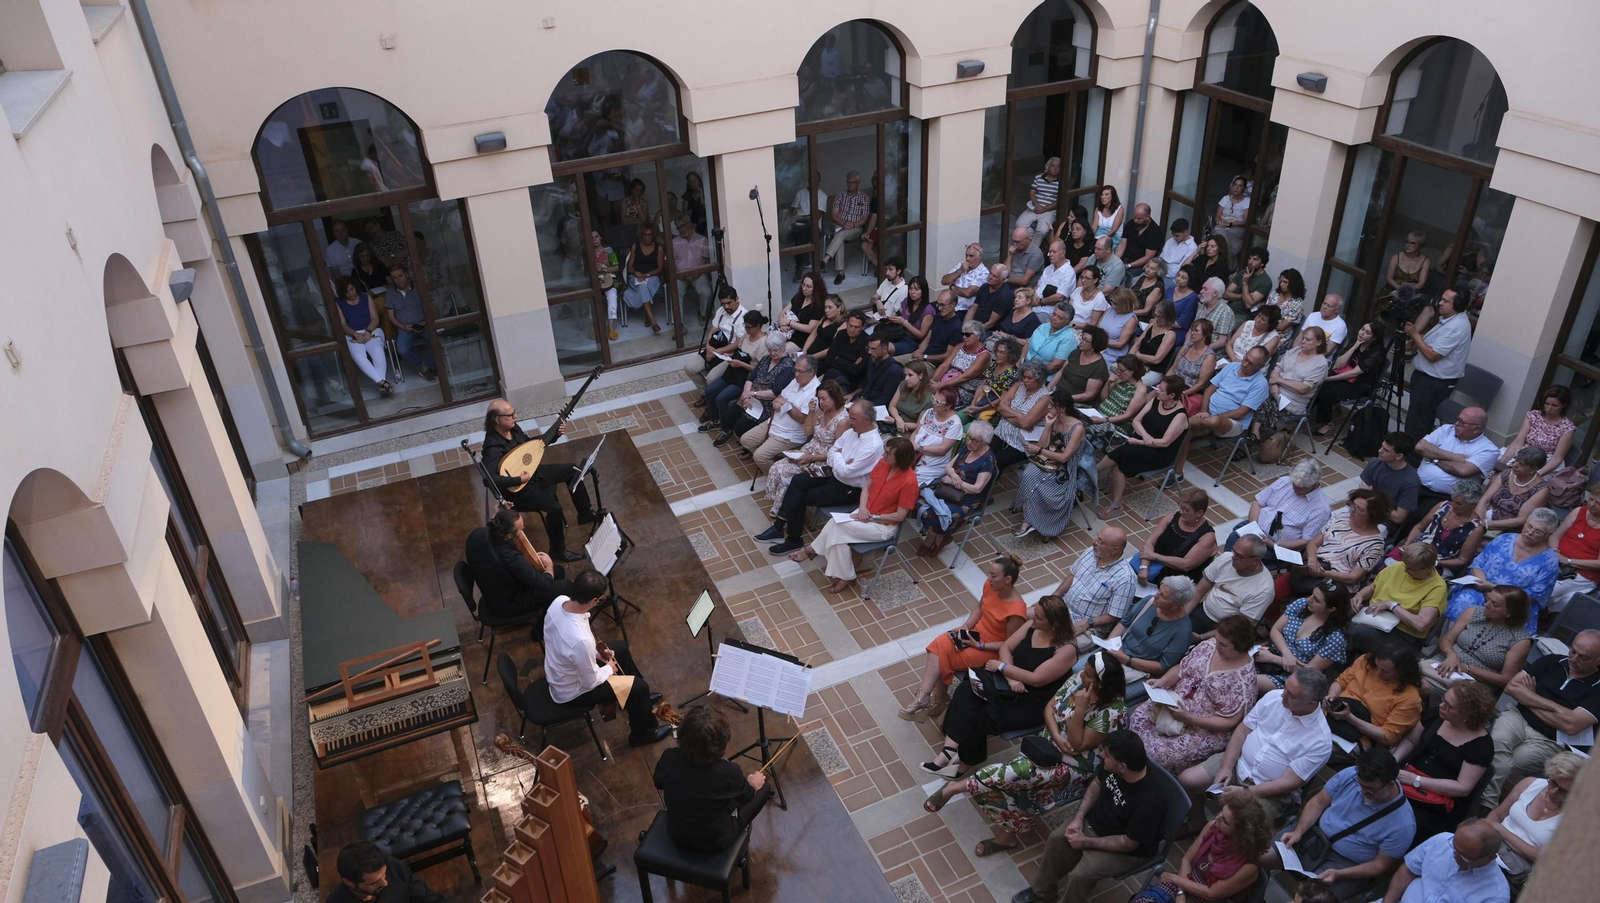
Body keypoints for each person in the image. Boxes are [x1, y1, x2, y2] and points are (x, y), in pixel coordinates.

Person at [927, 650, 1127, 855]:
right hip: (1046, 746)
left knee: (1008, 775)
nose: (1081, 675)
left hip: (1074, 766)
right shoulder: (1078, 681)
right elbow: (1049, 708)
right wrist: (1057, 736)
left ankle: (954, 788)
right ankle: (1007, 837)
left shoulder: (1112, 714)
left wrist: (1080, 710)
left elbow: (1076, 745)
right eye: (1084, 671)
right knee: (1010, 783)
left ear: (1101, 684)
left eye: (1088, 675)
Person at [922, 596, 1081, 785]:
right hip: (1009, 682)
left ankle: (966, 760)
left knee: (979, 714)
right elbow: (1006, 646)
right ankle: (949, 750)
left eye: (1039, 617)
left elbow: (1037, 679)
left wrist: (1002, 667)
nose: (1033, 618)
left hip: (1030, 699)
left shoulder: (1066, 650)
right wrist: (1010, 676)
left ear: (1053, 623)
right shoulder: (1032, 625)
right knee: (967, 688)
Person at [1010, 730, 1169, 903]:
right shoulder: (1113, 766)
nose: (1101, 755)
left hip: (1128, 850)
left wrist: (1085, 842)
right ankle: (1042, 892)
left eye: (1106, 755)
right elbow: (1096, 784)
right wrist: (1078, 818)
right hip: (1096, 823)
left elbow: (1128, 843)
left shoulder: (1151, 801)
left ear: (1122, 766)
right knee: (1057, 839)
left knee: (1080, 875)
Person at [544, 569, 672, 746]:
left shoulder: (559, 602)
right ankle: (641, 735)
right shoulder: (581, 640)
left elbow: (567, 645)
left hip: (563, 669)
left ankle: (635, 702)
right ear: (592, 601)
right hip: (573, 691)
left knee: (620, 648)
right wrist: (608, 668)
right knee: (640, 687)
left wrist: (597, 654)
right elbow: (589, 682)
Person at [1270, 749, 1417, 902]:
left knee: (1312, 899)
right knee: (1257, 856)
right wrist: (1299, 831)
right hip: (1313, 836)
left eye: (1370, 789)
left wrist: (1341, 874)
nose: (1362, 791)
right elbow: (1319, 802)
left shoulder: (1404, 824)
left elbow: (1380, 865)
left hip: (1347, 864)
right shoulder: (1351, 775)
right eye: (1361, 785)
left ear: (1390, 784)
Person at [900, 555, 1029, 721]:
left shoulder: (1017, 610)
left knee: (944, 658)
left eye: (993, 576)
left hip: (990, 648)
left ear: (1008, 579)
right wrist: (967, 625)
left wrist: (980, 645)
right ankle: (924, 697)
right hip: (974, 633)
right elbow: (980, 607)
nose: (988, 578)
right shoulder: (991, 587)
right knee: (938, 645)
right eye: (989, 574)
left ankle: (934, 699)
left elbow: (1009, 645)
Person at [1483, 628, 1600, 808]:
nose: (1574, 659)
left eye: (1583, 657)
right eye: (1573, 651)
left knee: (1498, 761)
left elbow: (1571, 725)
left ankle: (1478, 801)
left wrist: (1529, 697)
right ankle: (1487, 805)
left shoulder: (1597, 688)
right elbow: (1512, 687)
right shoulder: (1551, 661)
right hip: (1517, 718)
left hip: (1551, 740)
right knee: (1497, 745)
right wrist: (1558, 709)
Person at [1129, 615, 1258, 774]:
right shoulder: (1209, 646)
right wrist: (1162, 682)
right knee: (1137, 719)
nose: (1217, 646)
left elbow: (1229, 722)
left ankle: (1144, 777)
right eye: (1217, 640)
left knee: (1160, 754)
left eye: (1223, 645)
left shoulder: (1243, 680)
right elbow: (1182, 669)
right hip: (1174, 701)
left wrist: (1189, 718)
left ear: (1241, 646)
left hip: (1202, 727)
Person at [789, 437, 917, 593]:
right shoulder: (883, 464)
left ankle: (812, 550)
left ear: (901, 458)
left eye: (889, 453)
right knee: (838, 535)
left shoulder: (909, 481)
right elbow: (866, 488)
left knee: (836, 526)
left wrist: (872, 517)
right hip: (865, 512)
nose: (884, 454)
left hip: (883, 525)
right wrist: (862, 508)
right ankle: (845, 576)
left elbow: (900, 516)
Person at [1201, 668, 1333, 819]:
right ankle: (1197, 819)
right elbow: (1243, 730)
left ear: (1311, 704)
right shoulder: (1273, 698)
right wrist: (1226, 766)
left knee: (1233, 819)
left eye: (1291, 695)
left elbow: (1289, 782)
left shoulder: (1321, 741)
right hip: (1240, 763)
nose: (1283, 694)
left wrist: (1246, 793)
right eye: (1285, 688)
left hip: (1268, 791)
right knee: (1189, 780)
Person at [481, 399, 601, 562]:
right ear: (497, 419)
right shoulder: (492, 447)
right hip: (518, 492)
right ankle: (557, 551)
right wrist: (518, 479)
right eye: (510, 415)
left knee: (573, 470)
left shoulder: (514, 429)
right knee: (555, 509)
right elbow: (489, 480)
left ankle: (585, 513)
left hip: (533, 474)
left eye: (514, 412)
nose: (515, 417)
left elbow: (532, 446)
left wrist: (555, 435)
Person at [761, 400, 885, 554]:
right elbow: (833, 451)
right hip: (832, 473)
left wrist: (838, 457)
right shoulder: (853, 431)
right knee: (798, 480)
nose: (849, 421)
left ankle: (794, 540)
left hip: (848, 488)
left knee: (801, 497)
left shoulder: (872, 445)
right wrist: (841, 458)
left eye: (853, 419)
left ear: (866, 420)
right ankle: (778, 527)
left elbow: (847, 472)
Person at [652, 704, 772, 852]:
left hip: (677, 833)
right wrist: (752, 785)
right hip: (714, 841)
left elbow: (659, 782)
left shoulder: (669, 757)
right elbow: (746, 797)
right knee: (764, 788)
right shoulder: (729, 772)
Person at [1394, 681, 1496, 840]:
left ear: (1467, 714)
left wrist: (1416, 780)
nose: (1441, 705)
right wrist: (1394, 760)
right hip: (1405, 779)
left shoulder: (1481, 746)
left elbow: (1462, 787)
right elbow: (1411, 741)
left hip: (1435, 803)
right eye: (1443, 700)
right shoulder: (1435, 716)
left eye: (1449, 706)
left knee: (1399, 821)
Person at [1129, 789, 1271, 903]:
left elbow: (1211, 894)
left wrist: (1174, 879)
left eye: (1225, 821)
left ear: (1241, 833)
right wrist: (1180, 892)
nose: (1217, 818)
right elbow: (1187, 860)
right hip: (1184, 884)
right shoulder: (1212, 828)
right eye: (1221, 811)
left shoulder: (1249, 867)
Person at [1443, 508, 1560, 630]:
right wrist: (1483, 584)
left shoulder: (1549, 562)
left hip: (1512, 605)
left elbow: (1531, 596)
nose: (1529, 533)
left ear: (1548, 535)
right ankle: (1447, 645)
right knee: (1464, 601)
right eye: (1529, 526)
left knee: (1500, 618)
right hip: (1480, 591)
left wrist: (1493, 589)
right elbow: (1478, 564)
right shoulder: (1504, 539)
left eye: (1538, 531)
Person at [1485, 752, 1584, 891]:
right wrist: (1486, 834)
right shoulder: (1530, 784)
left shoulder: (1575, 819)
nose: (1553, 792)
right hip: (1492, 845)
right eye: (1553, 782)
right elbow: (1497, 813)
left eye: (1564, 792)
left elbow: (1541, 857)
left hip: (1519, 870)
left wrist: (1500, 829)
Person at [1276, 488, 1390, 603]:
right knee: (1275, 591)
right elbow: (1313, 543)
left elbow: (1353, 578)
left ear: (1372, 515)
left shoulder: (1375, 544)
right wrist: (1312, 560)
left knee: (1300, 608)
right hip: (1311, 568)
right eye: (1352, 505)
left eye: (1359, 509)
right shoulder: (1341, 518)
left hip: (1335, 584)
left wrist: (1320, 573)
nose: (1352, 510)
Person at [1098, 376, 1189, 515]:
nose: (1157, 390)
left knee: (1123, 454)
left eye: (1161, 389)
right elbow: (1136, 420)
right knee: (1122, 457)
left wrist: (1140, 441)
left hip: (1159, 453)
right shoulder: (1156, 400)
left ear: (1172, 395)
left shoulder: (1180, 416)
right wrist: (1145, 437)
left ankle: (1092, 474)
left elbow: (1164, 442)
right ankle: (1114, 500)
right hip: (1140, 442)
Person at [1012, 391, 1093, 539]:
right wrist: (1048, 426)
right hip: (1047, 460)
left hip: (1064, 467)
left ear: (1062, 408)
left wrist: (1039, 450)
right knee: (1028, 474)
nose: (1048, 407)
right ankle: (1030, 515)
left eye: (1052, 405)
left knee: (1042, 485)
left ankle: (1029, 521)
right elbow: (1043, 445)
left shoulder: (1077, 428)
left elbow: (1064, 457)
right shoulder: (1054, 420)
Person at [465, 510, 573, 619]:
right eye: (521, 530)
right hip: (507, 604)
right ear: (509, 536)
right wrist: (549, 565)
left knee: (558, 571)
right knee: (566, 586)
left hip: (493, 589)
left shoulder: (477, 534)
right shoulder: (509, 556)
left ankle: (547, 608)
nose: (522, 531)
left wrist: (500, 513)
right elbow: (544, 585)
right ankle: (542, 623)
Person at [1425, 586, 1532, 694]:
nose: (1486, 604)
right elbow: (1446, 639)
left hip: (1476, 683)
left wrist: (1468, 668)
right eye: (1488, 599)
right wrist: (1450, 654)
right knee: (1413, 677)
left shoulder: (1520, 641)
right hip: (1445, 662)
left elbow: (1505, 679)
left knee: (1423, 687)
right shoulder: (1473, 612)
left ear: (1510, 613)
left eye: (1494, 604)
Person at [763, 379, 847, 512]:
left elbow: (837, 452)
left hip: (823, 459)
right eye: (819, 399)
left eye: (824, 399)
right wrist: (811, 412)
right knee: (777, 467)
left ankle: (785, 510)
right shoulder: (822, 410)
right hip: (810, 449)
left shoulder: (842, 421)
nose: (821, 402)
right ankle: (781, 505)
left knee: (788, 475)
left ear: (835, 397)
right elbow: (808, 431)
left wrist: (812, 458)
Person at [916, 422, 998, 557]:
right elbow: (949, 467)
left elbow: (977, 489)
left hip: (967, 499)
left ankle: (938, 537)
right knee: (919, 503)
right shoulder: (968, 448)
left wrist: (955, 483)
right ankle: (936, 536)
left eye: (975, 440)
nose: (970, 442)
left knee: (934, 515)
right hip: (949, 489)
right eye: (969, 438)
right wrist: (954, 476)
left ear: (984, 442)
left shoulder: (988, 460)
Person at [1229, 459, 1332, 565]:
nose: (1293, 488)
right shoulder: (1285, 481)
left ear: (1313, 485)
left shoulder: (1321, 509)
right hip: (1255, 530)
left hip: (1278, 548)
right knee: (1233, 540)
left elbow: (1305, 541)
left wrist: (1273, 544)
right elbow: (1258, 504)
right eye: (1293, 484)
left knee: (1244, 558)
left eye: (1299, 487)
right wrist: (1253, 527)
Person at [1351, 544, 1448, 654]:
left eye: (1411, 569)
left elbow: (1421, 624)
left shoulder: (1437, 587)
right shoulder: (1400, 567)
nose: (1406, 571)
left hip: (1401, 632)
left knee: (1356, 632)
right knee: (1338, 618)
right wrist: (1360, 595)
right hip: (1374, 618)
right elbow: (1373, 587)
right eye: (1405, 566)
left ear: (1428, 568)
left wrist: (1392, 605)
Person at [1380, 820, 1507, 903]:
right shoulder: (1441, 840)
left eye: (1465, 856)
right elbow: (1408, 870)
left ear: (1491, 857)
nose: (1455, 856)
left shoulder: (1496, 896)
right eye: (1454, 846)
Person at [1326, 644, 1425, 751]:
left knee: (1316, 746)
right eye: (1377, 667)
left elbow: (1388, 737)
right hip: (1331, 718)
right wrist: (1332, 696)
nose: (1378, 672)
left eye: (1385, 671)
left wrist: (1350, 718)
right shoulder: (1366, 661)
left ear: (1401, 671)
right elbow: (1340, 682)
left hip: (1359, 739)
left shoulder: (1410, 699)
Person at [1103, 578, 1199, 686]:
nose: (1155, 595)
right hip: (1116, 651)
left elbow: (1163, 666)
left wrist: (1128, 660)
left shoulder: (1183, 630)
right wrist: (1109, 643)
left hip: (1139, 670)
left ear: (1176, 605)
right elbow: (1124, 623)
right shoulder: (1148, 602)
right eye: (1159, 590)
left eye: (1162, 596)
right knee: (1081, 668)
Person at [1404, 289, 1474, 436]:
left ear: (1457, 304)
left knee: (1418, 423)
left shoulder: (1457, 326)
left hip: (1434, 382)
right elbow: (1435, 343)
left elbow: (1433, 355)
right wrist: (1417, 340)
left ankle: (1413, 457)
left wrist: (1416, 335)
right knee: (1416, 419)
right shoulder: (1448, 319)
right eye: (1441, 299)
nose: (1440, 303)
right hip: (1426, 379)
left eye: (1445, 301)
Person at [1256, 587, 1352, 693]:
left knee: (1245, 680)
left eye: (1316, 600)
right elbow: (1275, 630)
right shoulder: (1302, 604)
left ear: (1331, 609)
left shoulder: (1336, 638)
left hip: (1293, 676)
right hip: (1272, 651)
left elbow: (1309, 672)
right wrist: (1286, 653)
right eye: (1312, 594)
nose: (1310, 599)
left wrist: (1274, 659)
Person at [1413, 407, 1500, 520]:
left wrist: (1433, 457)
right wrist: (1452, 457)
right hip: (1416, 483)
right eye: (1457, 419)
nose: (1456, 424)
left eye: (1461, 422)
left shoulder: (1489, 450)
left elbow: (1463, 471)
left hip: (1445, 497)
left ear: (1476, 429)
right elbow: (1420, 447)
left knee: (1413, 514)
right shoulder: (1446, 430)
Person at [710, 330, 794, 445]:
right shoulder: (766, 359)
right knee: (727, 415)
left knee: (740, 426)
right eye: (770, 350)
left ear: (783, 347)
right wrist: (746, 396)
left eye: (776, 350)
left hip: (766, 404)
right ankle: (727, 431)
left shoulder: (788, 367)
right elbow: (751, 378)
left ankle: (748, 442)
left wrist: (752, 394)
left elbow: (774, 392)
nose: (772, 353)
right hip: (751, 396)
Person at [739, 353, 819, 470]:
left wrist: (785, 404)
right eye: (795, 370)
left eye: (800, 372)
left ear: (811, 372)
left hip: (788, 435)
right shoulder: (796, 381)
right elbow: (781, 396)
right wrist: (779, 401)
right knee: (745, 440)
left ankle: (776, 474)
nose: (796, 375)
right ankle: (774, 462)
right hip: (773, 423)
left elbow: (802, 418)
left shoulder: (814, 392)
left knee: (760, 456)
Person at [698, 311, 771, 440]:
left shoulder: (763, 343)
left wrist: (741, 364)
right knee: (710, 391)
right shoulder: (745, 336)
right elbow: (739, 352)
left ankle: (726, 429)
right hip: (733, 371)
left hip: (746, 376)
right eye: (745, 326)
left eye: (749, 327)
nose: (746, 329)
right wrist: (730, 356)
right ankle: (715, 420)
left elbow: (760, 369)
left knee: (721, 398)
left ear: (758, 326)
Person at [1395, 479, 1487, 577]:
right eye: (1453, 501)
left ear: (1472, 505)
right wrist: (1408, 544)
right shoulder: (1443, 506)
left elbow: (1462, 560)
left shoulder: (1476, 528)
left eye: (1459, 504)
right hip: (1416, 550)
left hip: (1441, 563)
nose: (1454, 505)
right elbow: (1419, 527)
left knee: (1414, 576)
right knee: (1392, 567)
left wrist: (1435, 562)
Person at [1188, 536, 1275, 636]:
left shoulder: (1264, 589)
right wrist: (1181, 618)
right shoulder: (1226, 559)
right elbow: (1199, 591)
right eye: (1234, 551)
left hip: (1227, 630)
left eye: (1240, 556)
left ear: (1255, 560)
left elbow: (1239, 627)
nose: (1233, 557)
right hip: (1203, 611)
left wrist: (1202, 637)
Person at [1127, 487, 1215, 584]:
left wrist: (1155, 556)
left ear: (1199, 513)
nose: (1181, 512)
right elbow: (1150, 542)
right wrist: (1144, 567)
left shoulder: (1207, 537)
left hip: (1175, 580)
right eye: (1180, 507)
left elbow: (1186, 564)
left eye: (1186, 510)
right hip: (1151, 569)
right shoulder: (1172, 517)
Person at [1256, 325, 1330, 441]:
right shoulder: (1294, 351)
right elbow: (1276, 370)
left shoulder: (1320, 364)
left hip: (1292, 402)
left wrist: (1279, 381)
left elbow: (1303, 388)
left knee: (1258, 405)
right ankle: (1253, 434)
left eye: (1308, 339)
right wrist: (1275, 387)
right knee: (1251, 397)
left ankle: (1253, 436)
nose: (1303, 341)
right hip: (1273, 392)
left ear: (1319, 342)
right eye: (1303, 338)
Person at [1314, 320, 1387, 435]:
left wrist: (1328, 379)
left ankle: (1327, 423)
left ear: (1374, 337)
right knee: (1315, 383)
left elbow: (1354, 373)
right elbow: (1339, 364)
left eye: (1367, 332)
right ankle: (1303, 413)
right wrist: (1355, 347)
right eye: (1362, 329)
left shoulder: (1377, 352)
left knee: (1326, 390)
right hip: (1343, 375)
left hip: (1359, 385)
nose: (1362, 333)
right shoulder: (1355, 341)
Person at [327, 841, 448, 903]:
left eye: (384, 875)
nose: (385, 883)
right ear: (349, 882)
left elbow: (427, 898)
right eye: (374, 883)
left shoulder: (391, 865)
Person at [1496, 385, 1576, 477]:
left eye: (1554, 405)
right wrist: (1502, 463)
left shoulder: (1567, 428)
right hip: (1523, 454)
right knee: (1498, 474)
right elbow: (1518, 442)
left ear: (1564, 405)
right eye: (1547, 404)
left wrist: (1536, 475)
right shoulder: (1533, 416)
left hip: (1545, 462)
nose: (1549, 409)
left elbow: (1557, 458)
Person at [990, 362, 1054, 472]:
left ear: (1039, 379)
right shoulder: (1018, 385)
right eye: (1024, 376)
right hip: (1001, 431)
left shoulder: (1045, 397)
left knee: (997, 462)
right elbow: (1000, 408)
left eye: (1029, 378)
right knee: (985, 454)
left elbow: (1025, 424)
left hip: (1021, 442)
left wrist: (1008, 413)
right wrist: (1020, 416)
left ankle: (982, 488)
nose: (1025, 380)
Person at [334, 277, 391, 395]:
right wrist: (355, 334)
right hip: (352, 333)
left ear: (355, 287)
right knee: (359, 357)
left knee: (377, 351)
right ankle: (382, 383)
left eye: (352, 289)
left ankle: (382, 384)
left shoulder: (366, 297)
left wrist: (368, 331)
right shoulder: (339, 303)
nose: (350, 293)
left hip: (372, 330)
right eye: (347, 291)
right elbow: (342, 324)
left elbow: (375, 318)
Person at [1550, 477, 1600, 611]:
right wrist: (1554, 551)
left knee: (1546, 587)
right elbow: (1556, 535)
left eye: (1598, 503)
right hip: (1556, 560)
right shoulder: (1579, 511)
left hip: (1582, 573)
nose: (1592, 504)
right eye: (1591, 499)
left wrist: (1568, 560)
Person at [685, 283, 748, 388]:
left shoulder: (743, 317)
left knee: (711, 378)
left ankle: (711, 394)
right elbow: (712, 330)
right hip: (714, 347)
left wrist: (716, 352)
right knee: (689, 368)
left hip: (729, 353)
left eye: (729, 303)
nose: (726, 306)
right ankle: (704, 393)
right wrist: (708, 347)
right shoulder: (721, 311)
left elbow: (738, 343)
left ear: (737, 299)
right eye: (723, 303)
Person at [1476, 447, 1550, 533]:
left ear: (1533, 469)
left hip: (1507, 530)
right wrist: (1478, 520)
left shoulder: (1541, 490)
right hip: (1484, 518)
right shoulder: (1506, 474)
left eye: (1521, 464)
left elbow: (1521, 520)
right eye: (1516, 460)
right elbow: (1484, 500)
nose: (1514, 465)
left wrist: (1486, 524)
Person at [1081, 357, 1148, 451]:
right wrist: (1108, 383)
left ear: (1131, 371)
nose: (1118, 372)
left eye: (1121, 370)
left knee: (1080, 427)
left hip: (1115, 426)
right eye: (1118, 370)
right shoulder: (1121, 380)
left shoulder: (1140, 390)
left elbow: (1127, 416)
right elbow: (1104, 398)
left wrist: (1105, 420)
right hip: (1099, 416)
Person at [1361, 433, 1422, 528]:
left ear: (1399, 456)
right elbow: (1362, 492)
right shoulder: (1375, 463)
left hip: (1385, 522)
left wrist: (1373, 498)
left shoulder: (1411, 482)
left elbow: (1398, 518)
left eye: (1386, 450)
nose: (1379, 451)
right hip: (1366, 509)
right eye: (1382, 446)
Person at [820, 170, 871, 284]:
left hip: (855, 228)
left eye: (853, 182)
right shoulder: (840, 195)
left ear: (858, 183)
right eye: (848, 182)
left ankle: (826, 259)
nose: (850, 185)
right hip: (840, 225)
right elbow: (834, 214)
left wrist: (853, 224)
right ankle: (840, 273)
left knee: (840, 235)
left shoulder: (864, 198)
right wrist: (843, 223)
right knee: (840, 238)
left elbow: (865, 219)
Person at [909, 389, 964, 484]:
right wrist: (910, 446)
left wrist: (919, 447)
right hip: (913, 456)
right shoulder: (929, 412)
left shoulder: (954, 424)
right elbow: (915, 432)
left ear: (948, 406)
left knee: (907, 481)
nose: (933, 403)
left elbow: (943, 450)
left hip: (932, 465)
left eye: (937, 402)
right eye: (933, 398)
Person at [933, 320, 992, 407]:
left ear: (978, 336)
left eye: (968, 334)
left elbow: (966, 376)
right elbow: (944, 366)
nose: (964, 337)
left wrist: (942, 386)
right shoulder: (960, 346)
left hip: (963, 389)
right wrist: (933, 381)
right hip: (945, 382)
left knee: (939, 398)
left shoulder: (984, 355)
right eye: (963, 334)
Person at [964, 336, 1023, 421]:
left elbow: (1002, 399)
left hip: (992, 410)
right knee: (960, 417)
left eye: (1002, 353)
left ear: (1011, 355)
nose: (998, 355)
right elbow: (982, 385)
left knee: (968, 429)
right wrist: (973, 403)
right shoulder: (993, 365)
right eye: (997, 351)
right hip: (980, 401)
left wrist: (979, 409)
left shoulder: (1013, 374)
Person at [1050, 324, 1109, 404]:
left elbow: (1089, 395)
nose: (1081, 341)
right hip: (1057, 393)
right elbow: (1061, 372)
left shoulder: (1099, 367)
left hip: (1074, 402)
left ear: (1094, 345)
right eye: (1082, 338)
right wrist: (1048, 389)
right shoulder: (1076, 353)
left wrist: (1064, 399)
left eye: (1085, 340)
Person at [623, 224, 665, 333]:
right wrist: (636, 273)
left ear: (653, 236)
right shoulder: (635, 246)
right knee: (643, 286)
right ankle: (653, 321)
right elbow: (630, 266)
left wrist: (646, 275)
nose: (647, 237)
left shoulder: (659, 248)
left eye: (649, 235)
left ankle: (648, 315)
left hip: (652, 276)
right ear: (641, 236)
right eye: (645, 235)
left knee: (644, 286)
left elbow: (660, 268)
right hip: (636, 277)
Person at [1171, 319, 1219, 414]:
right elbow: (1173, 369)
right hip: (1172, 384)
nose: (1192, 333)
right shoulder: (1186, 348)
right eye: (1192, 330)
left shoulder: (1209, 357)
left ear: (1205, 335)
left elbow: (1200, 384)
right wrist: (1165, 383)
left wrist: (1182, 394)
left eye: (1196, 331)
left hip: (1187, 391)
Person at [886, 274, 936, 355]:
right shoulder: (907, 301)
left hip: (912, 341)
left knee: (883, 348)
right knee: (875, 341)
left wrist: (904, 323)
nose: (912, 292)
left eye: (917, 289)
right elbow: (898, 313)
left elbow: (921, 335)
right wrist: (890, 319)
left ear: (923, 291)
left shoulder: (928, 310)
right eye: (911, 288)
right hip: (899, 333)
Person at [1131, 299, 1181, 381]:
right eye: (1155, 315)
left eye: (1160, 317)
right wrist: (1129, 357)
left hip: (1153, 370)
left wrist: (1138, 355)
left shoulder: (1170, 334)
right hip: (1137, 363)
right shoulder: (1152, 324)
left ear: (1168, 317)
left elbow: (1156, 359)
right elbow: (1137, 344)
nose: (1156, 319)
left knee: (1132, 381)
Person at [1023, 301, 1079, 374]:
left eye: (1059, 317)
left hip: (1040, 375)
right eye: (1054, 314)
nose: (1054, 318)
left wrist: (1032, 373)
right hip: (1025, 366)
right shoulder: (1044, 326)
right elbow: (1028, 344)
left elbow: (1056, 365)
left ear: (1067, 321)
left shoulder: (1068, 339)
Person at [821, 311, 870, 392]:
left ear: (863, 326)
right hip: (832, 375)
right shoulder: (841, 334)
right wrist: (851, 364)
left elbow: (857, 371)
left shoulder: (867, 342)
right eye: (850, 325)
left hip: (849, 382)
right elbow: (828, 360)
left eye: (856, 327)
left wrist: (838, 359)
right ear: (846, 322)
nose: (852, 329)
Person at [913, 289, 966, 364]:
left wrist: (925, 357)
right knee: (895, 362)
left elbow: (948, 355)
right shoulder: (938, 317)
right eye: (938, 304)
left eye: (943, 305)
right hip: (923, 356)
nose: (939, 308)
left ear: (953, 304)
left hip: (933, 363)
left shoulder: (957, 327)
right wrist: (919, 352)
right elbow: (927, 339)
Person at [1017, 156, 1062, 240]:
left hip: (1049, 211)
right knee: (1019, 224)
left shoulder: (1061, 182)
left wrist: (1044, 209)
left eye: (1058, 166)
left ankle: (1033, 249)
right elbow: (1032, 193)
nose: (1055, 168)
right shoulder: (1038, 177)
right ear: (1048, 167)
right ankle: (1028, 242)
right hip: (1035, 207)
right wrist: (1037, 205)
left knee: (1042, 230)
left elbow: (1059, 201)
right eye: (1053, 165)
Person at [1224, 248, 1272, 325]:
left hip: (1243, 316)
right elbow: (1226, 294)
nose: (1250, 262)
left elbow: (1248, 304)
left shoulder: (1266, 281)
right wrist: (1242, 296)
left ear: (1262, 263)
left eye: (1255, 259)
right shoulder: (1243, 272)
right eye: (1250, 258)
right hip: (1228, 308)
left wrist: (1245, 283)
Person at [887, 359, 936, 435]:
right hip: (894, 419)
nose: (906, 378)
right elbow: (892, 406)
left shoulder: (929, 399)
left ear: (920, 376)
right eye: (905, 375)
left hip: (907, 429)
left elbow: (919, 425)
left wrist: (897, 423)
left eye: (910, 375)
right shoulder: (903, 384)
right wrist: (898, 419)